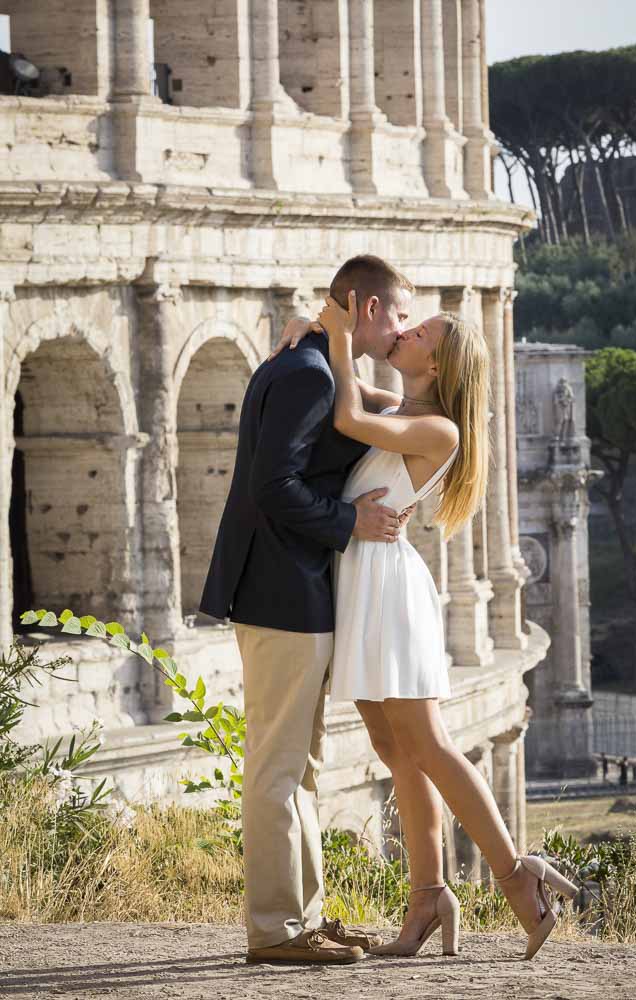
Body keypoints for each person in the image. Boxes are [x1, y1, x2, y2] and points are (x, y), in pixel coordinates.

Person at [271, 290, 578, 962]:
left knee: (428, 744)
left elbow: (346, 413)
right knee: (394, 749)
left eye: (419, 334)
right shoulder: (403, 409)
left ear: (436, 367)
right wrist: (313, 335)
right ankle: (428, 896)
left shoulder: (438, 429)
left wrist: (339, 335)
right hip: (365, 581)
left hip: (386, 589)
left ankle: (514, 876)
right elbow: (346, 396)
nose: (403, 332)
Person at [199, 255, 415, 964]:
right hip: (280, 591)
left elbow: (396, 411)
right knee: (277, 764)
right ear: (364, 304)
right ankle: (274, 930)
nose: (401, 330)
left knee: (303, 763)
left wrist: (326, 331)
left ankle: (303, 918)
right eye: (398, 315)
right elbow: (272, 486)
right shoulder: (307, 373)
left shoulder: (320, 365)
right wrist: (348, 521)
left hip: (297, 590)